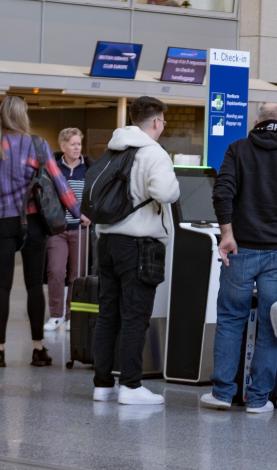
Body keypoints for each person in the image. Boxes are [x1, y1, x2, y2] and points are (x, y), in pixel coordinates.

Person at [202, 103, 277, 413]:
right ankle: (258, 399)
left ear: (255, 122)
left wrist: (227, 234)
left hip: (240, 249)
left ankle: (222, 394)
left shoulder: (238, 148)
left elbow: (222, 192)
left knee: (231, 319)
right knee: (272, 323)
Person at [0, 97, 83, 369]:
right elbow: (58, 181)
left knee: (2, 285)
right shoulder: (37, 144)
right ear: (22, 115)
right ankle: (38, 349)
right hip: (32, 222)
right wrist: (78, 212)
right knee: (34, 285)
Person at [92, 97, 179, 405]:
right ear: (156, 123)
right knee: (134, 317)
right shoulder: (154, 153)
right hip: (139, 246)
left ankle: (102, 385)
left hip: (107, 243)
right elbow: (166, 192)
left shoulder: (114, 148)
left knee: (108, 315)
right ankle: (130, 386)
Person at [44, 128, 90, 332]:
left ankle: (73, 316)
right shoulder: (53, 168)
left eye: (79, 143)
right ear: (63, 146)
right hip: (58, 230)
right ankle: (56, 315)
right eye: (73, 144)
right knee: (55, 271)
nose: (77, 147)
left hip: (80, 229)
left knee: (77, 275)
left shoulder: (89, 169)